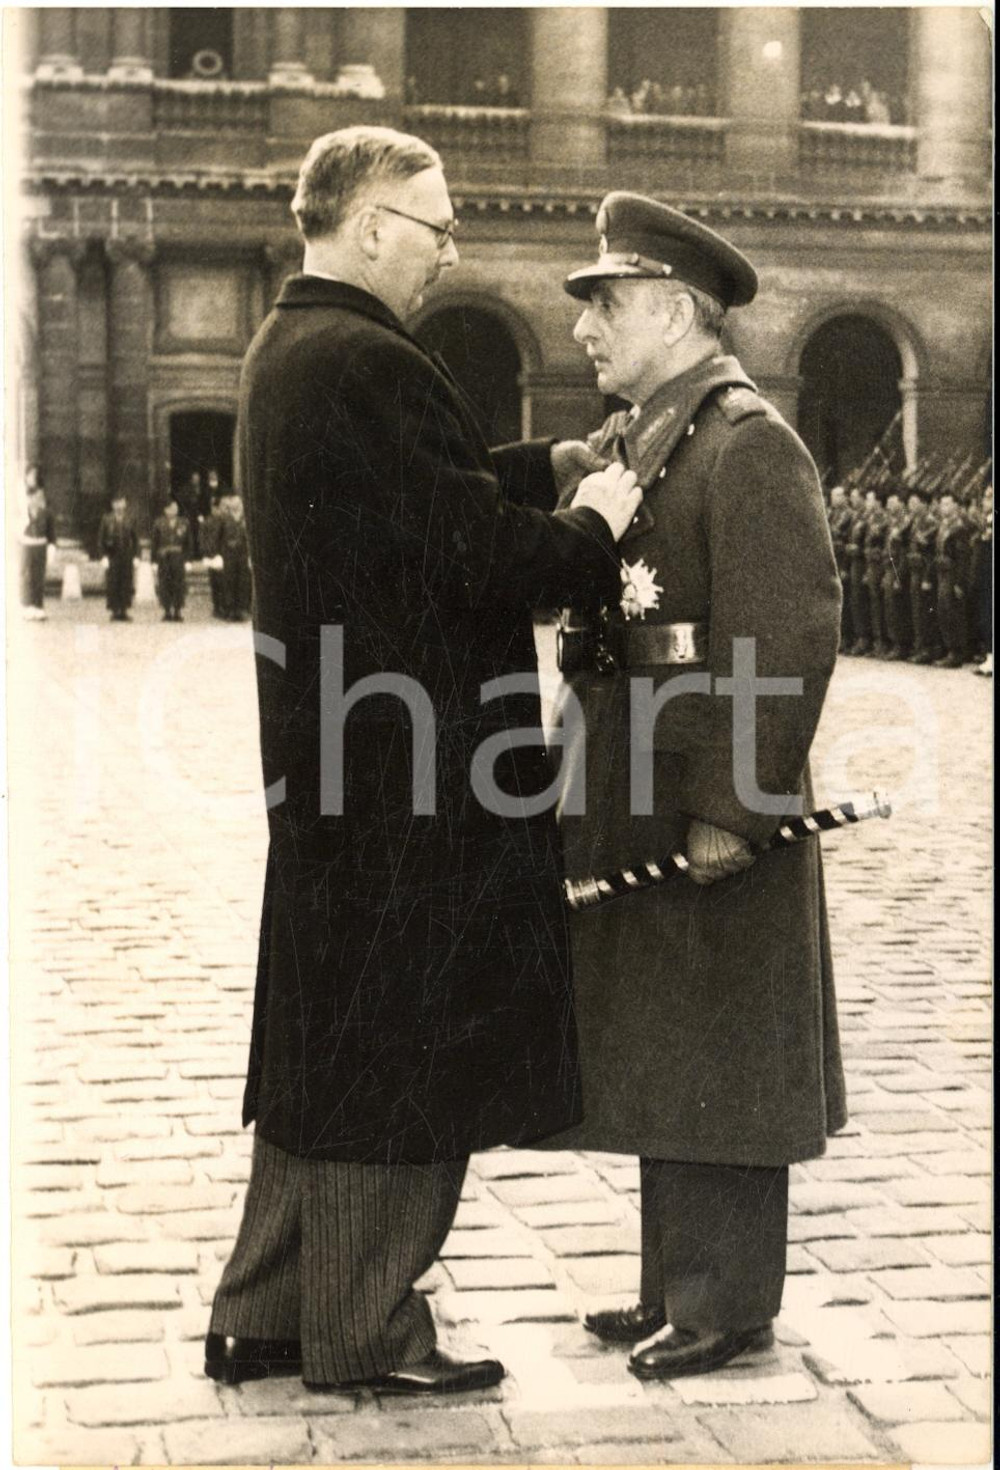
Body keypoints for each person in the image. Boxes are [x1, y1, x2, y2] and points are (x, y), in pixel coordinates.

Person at [203, 125, 642, 1396]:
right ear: (374, 222)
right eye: (439, 223)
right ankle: (367, 1332)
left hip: (342, 765)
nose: (451, 245)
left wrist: (531, 467)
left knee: (323, 1043)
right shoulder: (372, 361)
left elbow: (400, 503)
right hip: (420, 783)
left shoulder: (299, 346)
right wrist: (588, 526)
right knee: (407, 1051)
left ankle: (268, 1312)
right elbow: (470, 557)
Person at [541, 192, 845, 1381]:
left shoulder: (743, 438)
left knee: (715, 1031)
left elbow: (786, 632)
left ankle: (726, 1303)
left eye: (603, 306)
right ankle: (673, 1282)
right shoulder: (646, 436)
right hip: (632, 769)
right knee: (661, 1028)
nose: (583, 332)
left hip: (704, 783)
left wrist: (734, 805)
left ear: (673, 308)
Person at [933, 491, 971, 667]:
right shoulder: (943, 525)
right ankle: (950, 649)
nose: (944, 507)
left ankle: (957, 652)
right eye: (942, 504)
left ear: (956, 506)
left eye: (948, 504)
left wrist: (959, 582)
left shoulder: (959, 527)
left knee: (952, 612)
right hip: (942, 573)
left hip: (953, 573)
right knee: (943, 611)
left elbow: (963, 558)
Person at [19, 477, 56, 621]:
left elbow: (51, 533)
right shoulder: (23, 514)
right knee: (26, 576)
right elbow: (16, 531)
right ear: (28, 498)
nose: (35, 499)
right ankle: (27, 606)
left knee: (39, 577)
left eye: (38, 496)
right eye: (32, 497)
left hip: (40, 546)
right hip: (27, 546)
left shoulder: (46, 514)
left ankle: (38, 607)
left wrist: (52, 547)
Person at [99, 492, 140, 621]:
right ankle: (115, 610)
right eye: (116, 503)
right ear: (112, 505)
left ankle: (124, 610)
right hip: (113, 554)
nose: (119, 506)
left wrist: (137, 556)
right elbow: (101, 539)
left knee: (126, 582)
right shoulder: (106, 519)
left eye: (121, 502)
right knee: (113, 583)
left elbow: (136, 539)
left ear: (125, 504)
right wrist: (103, 556)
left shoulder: (130, 519)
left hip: (126, 554)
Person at [151, 498, 192, 622]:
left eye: (175, 508)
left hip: (178, 557)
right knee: (165, 584)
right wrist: (154, 561)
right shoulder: (159, 523)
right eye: (171, 508)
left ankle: (178, 611)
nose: (174, 510)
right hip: (164, 558)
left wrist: (188, 559)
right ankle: (167, 611)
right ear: (165, 510)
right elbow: (155, 543)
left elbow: (189, 543)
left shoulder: (184, 522)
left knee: (179, 585)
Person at [827, 484, 854, 651]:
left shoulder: (850, 515)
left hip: (843, 560)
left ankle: (848, 637)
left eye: (837, 495)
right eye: (832, 495)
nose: (833, 499)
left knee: (847, 601)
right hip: (832, 560)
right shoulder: (830, 514)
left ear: (845, 497)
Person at [218, 493, 252, 621]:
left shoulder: (246, 519)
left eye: (238, 503)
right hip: (229, 555)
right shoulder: (224, 519)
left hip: (242, 554)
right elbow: (219, 537)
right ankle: (230, 610)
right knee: (229, 581)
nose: (236, 506)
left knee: (243, 582)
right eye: (234, 503)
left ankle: (241, 610)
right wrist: (219, 554)